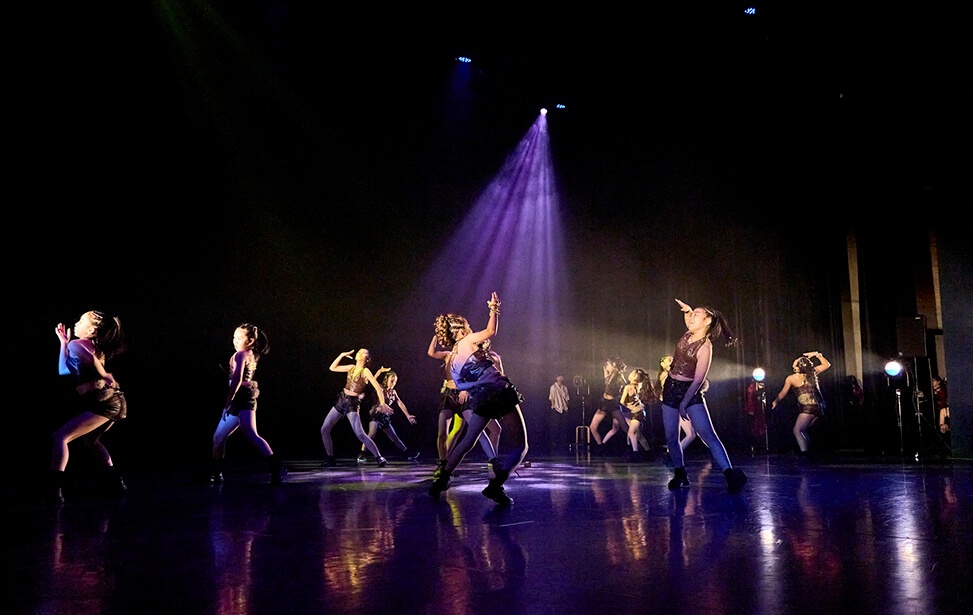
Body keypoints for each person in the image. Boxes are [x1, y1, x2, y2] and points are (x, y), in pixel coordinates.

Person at [428, 292, 528, 506]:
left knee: (467, 441)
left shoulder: (452, 359)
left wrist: (477, 383)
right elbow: (491, 331)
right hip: (499, 391)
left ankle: (441, 481)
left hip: (482, 397)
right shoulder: (468, 340)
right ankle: (495, 487)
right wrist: (494, 308)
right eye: (467, 325)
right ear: (461, 329)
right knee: (521, 446)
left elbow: (460, 385)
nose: (471, 328)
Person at [662, 299, 747, 493]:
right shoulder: (689, 333)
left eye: (697, 315)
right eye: (692, 316)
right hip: (670, 388)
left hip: (690, 392)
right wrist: (688, 311)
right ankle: (680, 474)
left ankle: (730, 475)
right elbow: (689, 320)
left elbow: (698, 381)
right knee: (671, 436)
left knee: (707, 434)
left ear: (707, 321)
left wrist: (684, 403)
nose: (691, 318)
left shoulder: (705, 347)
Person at [50, 310, 128, 504]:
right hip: (114, 402)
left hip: (105, 403)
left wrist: (104, 374)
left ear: (91, 330)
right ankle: (116, 483)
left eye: (81, 321)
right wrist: (63, 343)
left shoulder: (79, 345)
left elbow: (91, 361)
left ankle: (53, 490)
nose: (76, 323)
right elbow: (63, 370)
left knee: (60, 437)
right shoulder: (87, 346)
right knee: (91, 441)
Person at [210, 323, 286, 485]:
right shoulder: (252, 354)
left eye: (239, 338)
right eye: (234, 337)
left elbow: (237, 379)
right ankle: (217, 474)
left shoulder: (240, 355)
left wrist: (228, 401)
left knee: (248, 434)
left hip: (241, 399)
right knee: (219, 437)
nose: (235, 341)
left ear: (250, 341)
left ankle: (276, 467)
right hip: (245, 398)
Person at [320, 348, 388, 467]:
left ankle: (379, 457)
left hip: (352, 403)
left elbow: (378, 388)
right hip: (341, 400)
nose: (360, 353)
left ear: (367, 359)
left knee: (360, 434)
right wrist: (341, 355)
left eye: (364, 353)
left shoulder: (365, 371)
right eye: (359, 351)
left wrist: (382, 404)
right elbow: (332, 368)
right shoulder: (351, 367)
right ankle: (330, 458)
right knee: (324, 429)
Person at [771, 351, 831, 455]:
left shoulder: (791, 378)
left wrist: (776, 401)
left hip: (807, 408)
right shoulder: (812, 373)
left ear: (797, 366)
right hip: (819, 407)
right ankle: (807, 452)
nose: (795, 360)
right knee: (803, 430)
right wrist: (817, 354)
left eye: (796, 360)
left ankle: (805, 453)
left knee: (797, 430)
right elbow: (826, 365)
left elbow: (783, 393)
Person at [357, 368, 421, 463]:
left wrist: (408, 416)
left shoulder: (393, 392)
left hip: (384, 417)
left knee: (394, 437)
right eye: (391, 381)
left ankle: (407, 453)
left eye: (395, 381)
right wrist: (379, 372)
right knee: (371, 434)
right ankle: (362, 454)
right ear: (386, 380)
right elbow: (372, 381)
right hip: (376, 414)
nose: (393, 383)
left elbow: (400, 403)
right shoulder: (380, 388)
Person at [428, 334, 467, 477]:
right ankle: (442, 462)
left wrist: (466, 389)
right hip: (449, 395)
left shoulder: (466, 356)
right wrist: (436, 336)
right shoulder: (448, 355)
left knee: (457, 430)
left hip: (461, 394)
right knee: (442, 432)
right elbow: (431, 353)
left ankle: (447, 462)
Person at [588, 355, 630, 453]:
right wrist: (605, 369)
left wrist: (620, 396)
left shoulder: (619, 376)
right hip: (604, 402)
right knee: (593, 427)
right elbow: (607, 381)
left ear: (613, 364)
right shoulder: (610, 375)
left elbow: (625, 387)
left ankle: (633, 445)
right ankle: (600, 446)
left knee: (624, 428)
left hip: (613, 404)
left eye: (608, 365)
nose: (606, 367)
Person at [620, 367, 652, 461]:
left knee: (631, 433)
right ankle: (649, 454)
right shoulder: (639, 386)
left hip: (636, 413)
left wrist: (628, 407)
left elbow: (622, 402)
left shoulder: (628, 387)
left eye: (632, 373)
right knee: (638, 435)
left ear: (634, 377)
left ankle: (635, 454)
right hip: (638, 412)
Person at [548, 374, 570, 454]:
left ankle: (563, 442)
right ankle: (554, 443)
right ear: (556, 378)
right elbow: (552, 398)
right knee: (555, 426)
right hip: (556, 408)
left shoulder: (565, 387)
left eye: (561, 377)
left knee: (564, 426)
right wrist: (553, 406)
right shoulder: (553, 387)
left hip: (564, 408)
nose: (560, 378)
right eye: (559, 377)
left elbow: (567, 398)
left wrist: (567, 407)